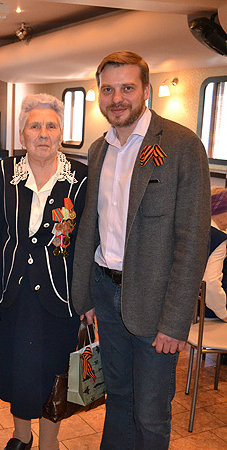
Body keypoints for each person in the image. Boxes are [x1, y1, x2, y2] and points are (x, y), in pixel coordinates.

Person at [72, 51, 210, 450]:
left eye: (127, 88)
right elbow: (92, 229)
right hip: (106, 293)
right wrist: (85, 295)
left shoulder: (182, 146)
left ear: (146, 91)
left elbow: (192, 241)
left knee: (150, 413)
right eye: (108, 89)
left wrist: (175, 322)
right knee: (117, 399)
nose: (117, 98)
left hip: (155, 305)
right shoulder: (98, 150)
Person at [0, 94, 88, 450]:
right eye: (34, 126)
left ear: (61, 133)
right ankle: (21, 437)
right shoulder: (2, 172)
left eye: (50, 126)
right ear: (22, 134)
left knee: (54, 372)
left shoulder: (81, 178)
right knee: (20, 370)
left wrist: (86, 297)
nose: (43, 133)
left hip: (61, 296)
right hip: (15, 292)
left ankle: (49, 443)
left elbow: (87, 242)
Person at [203, 187, 227, 321]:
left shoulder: (193, 230)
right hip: (210, 316)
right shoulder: (219, 238)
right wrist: (222, 313)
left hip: (185, 311)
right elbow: (210, 283)